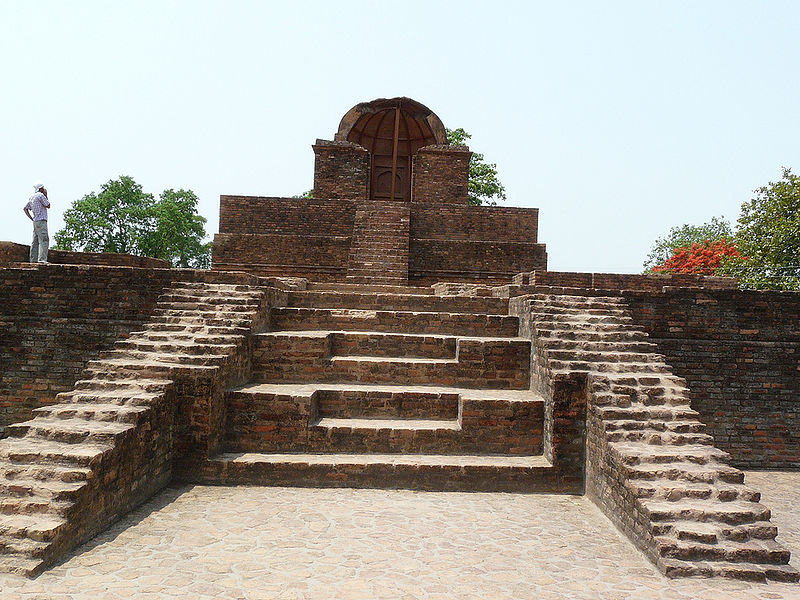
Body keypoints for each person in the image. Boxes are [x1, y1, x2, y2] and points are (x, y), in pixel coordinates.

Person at [23, 182, 51, 263]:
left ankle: (33, 260)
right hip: (42, 220)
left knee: (35, 241)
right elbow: (48, 205)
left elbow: (25, 208)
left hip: (35, 221)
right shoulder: (41, 195)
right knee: (44, 240)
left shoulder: (32, 197)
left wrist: (31, 218)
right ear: (41, 189)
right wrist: (46, 194)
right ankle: (42, 259)